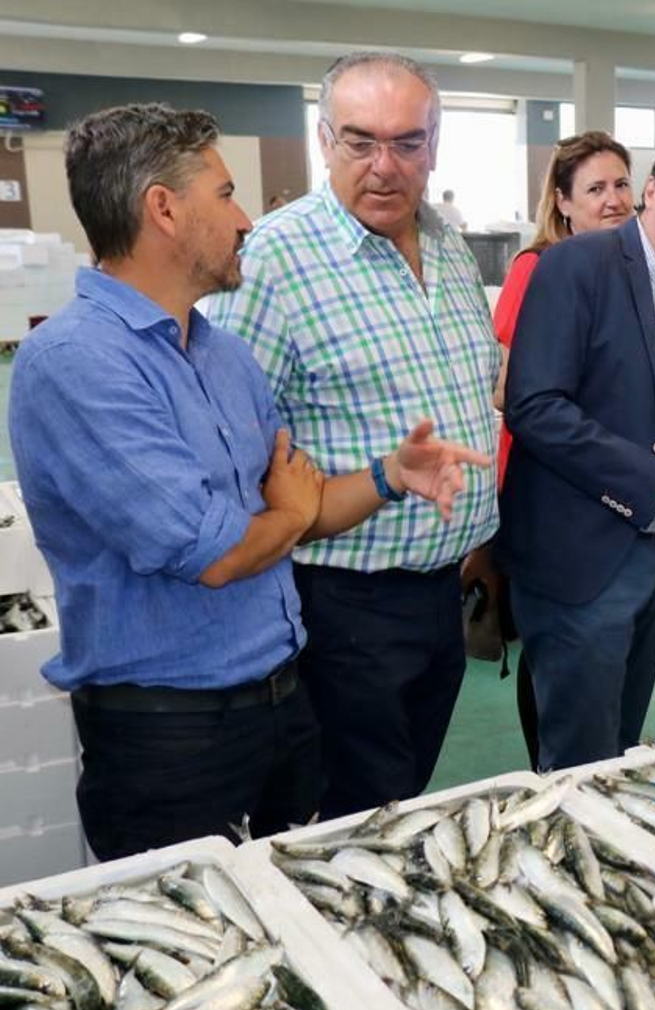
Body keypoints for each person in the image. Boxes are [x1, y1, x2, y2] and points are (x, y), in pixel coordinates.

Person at [9, 104, 486, 859]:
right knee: (188, 948)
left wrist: (391, 475)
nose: (244, 221)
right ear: (162, 209)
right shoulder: (77, 362)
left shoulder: (222, 353)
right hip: (169, 732)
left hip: (280, 701)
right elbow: (217, 552)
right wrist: (290, 513)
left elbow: (308, 503)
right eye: (226, 195)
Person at [210, 52, 502, 819]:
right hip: (340, 603)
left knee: (401, 801)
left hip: (442, 590)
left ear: (434, 147)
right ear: (322, 140)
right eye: (360, 141)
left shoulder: (445, 244)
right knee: (349, 819)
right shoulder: (275, 257)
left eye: (408, 143)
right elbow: (234, 450)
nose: (384, 166)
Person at [500, 127, 655, 770]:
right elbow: (535, 407)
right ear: (653, 191)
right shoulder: (576, 265)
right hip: (583, 563)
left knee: (621, 757)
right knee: (580, 764)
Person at [484, 131, 633, 770]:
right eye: (596, 189)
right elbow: (508, 390)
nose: (614, 200)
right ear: (564, 203)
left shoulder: (636, 270)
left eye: (623, 184)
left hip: (615, 489)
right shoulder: (539, 267)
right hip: (551, 487)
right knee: (557, 660)